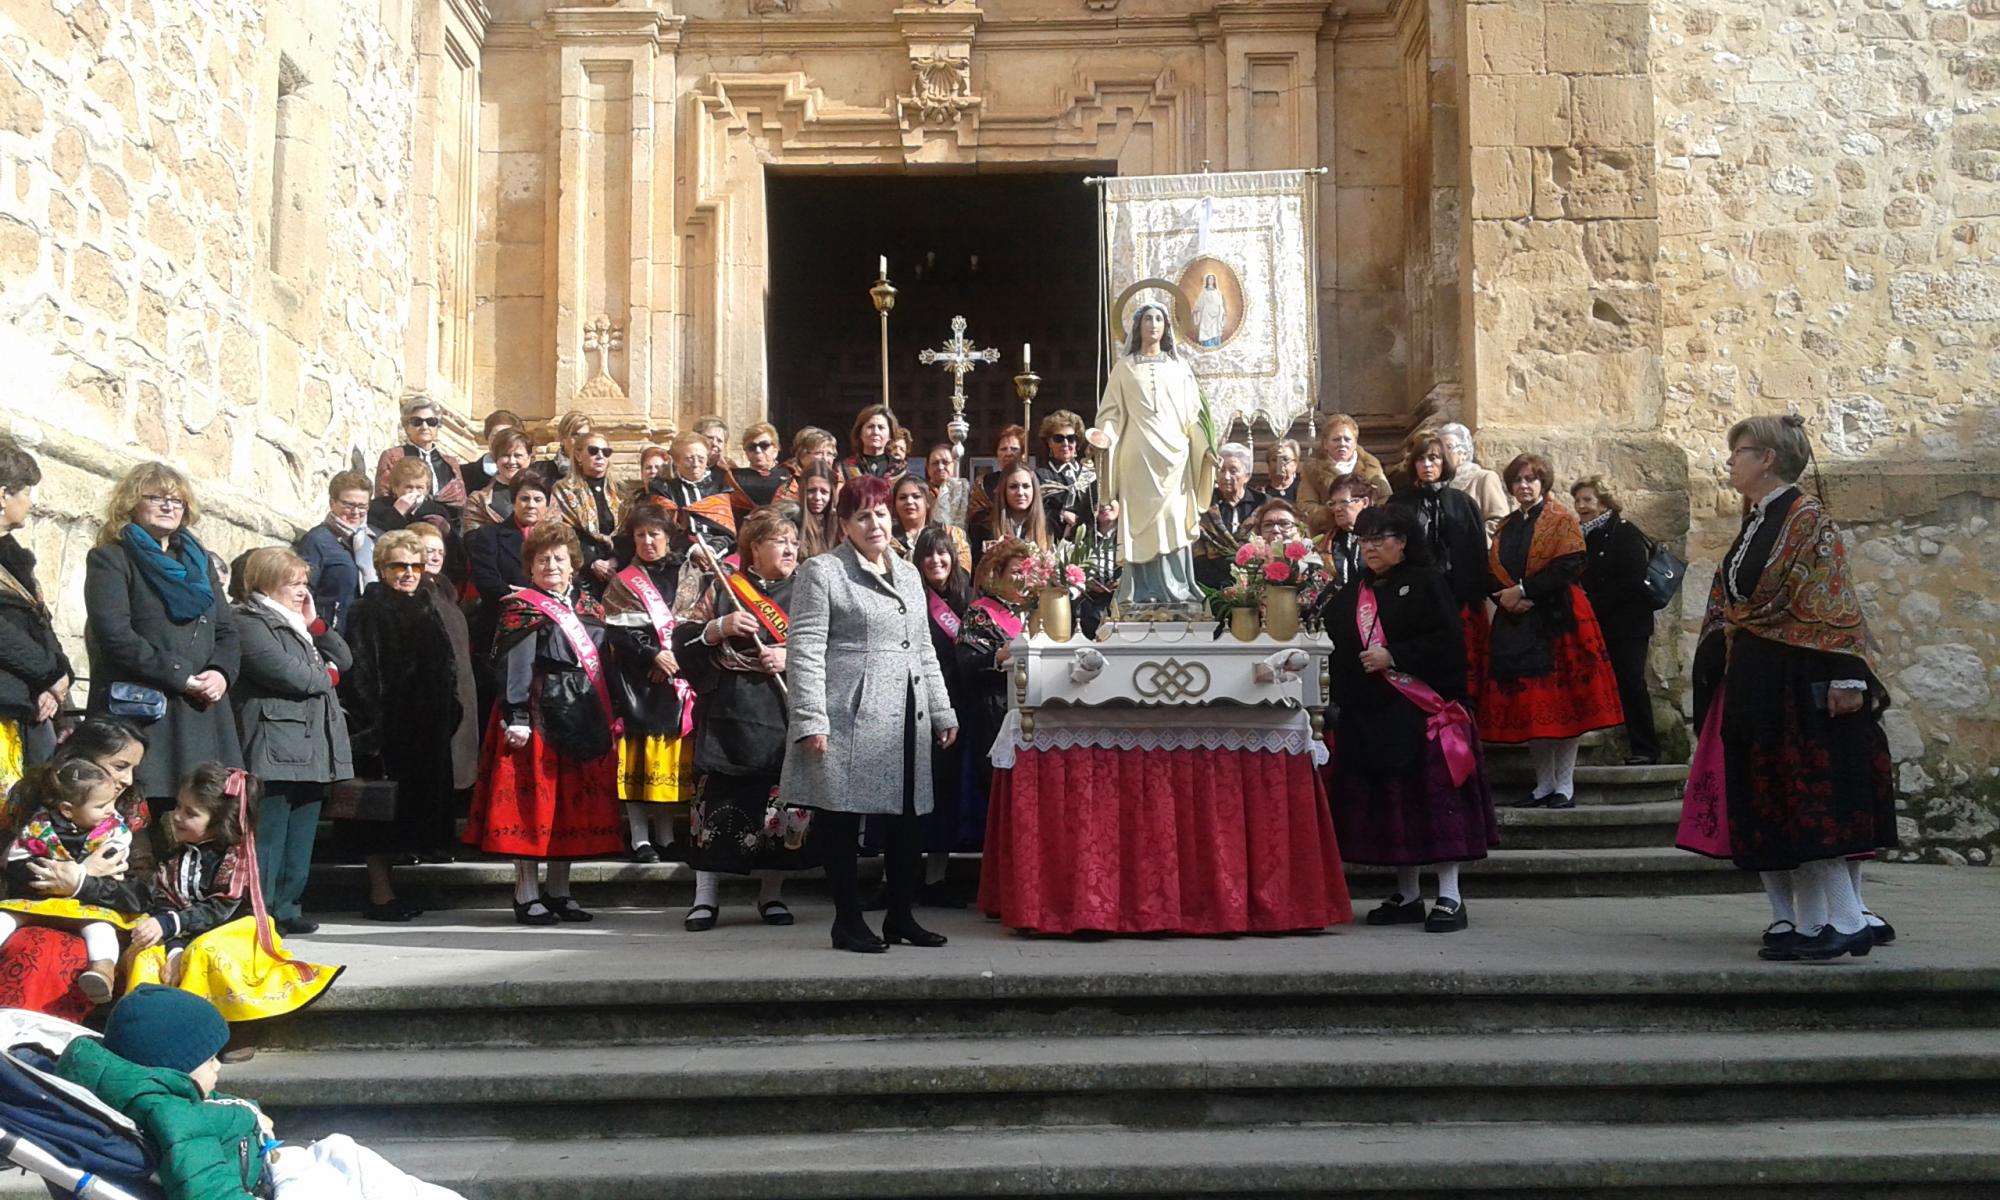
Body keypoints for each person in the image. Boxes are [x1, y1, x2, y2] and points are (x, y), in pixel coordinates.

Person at [1689, 415, 1895, 962]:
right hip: (1759, 679)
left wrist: (1847, 676)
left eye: (1739, 451)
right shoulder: (1758, 519)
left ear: (1768, 459)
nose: (1730, 461)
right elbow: (1736, 602)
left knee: (1810, 799)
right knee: (1778, 799)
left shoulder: (1807, 517)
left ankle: (1846, 922)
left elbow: (1833, 596)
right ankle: (1809, 923)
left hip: (1800, 680)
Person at [58, 984, 465, 1200]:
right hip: (267, 1184)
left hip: (266, 1164)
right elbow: (205, 1187)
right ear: (173, 1067)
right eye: (209, 1058)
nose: (218, 1066)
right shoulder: (174, 1119)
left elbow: (209, 1110)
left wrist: (250, 1114)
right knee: (354, 1167)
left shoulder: (163, 1095)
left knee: (348, 1157)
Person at [780, 476, 959, 953]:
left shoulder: (908, 573)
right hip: (847, 711)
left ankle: (900, 916)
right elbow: (804, 649)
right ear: (844, 524)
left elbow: (923, 648)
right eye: (862, 516)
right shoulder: (823, 571)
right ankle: (847, 922)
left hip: (906, 711)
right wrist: (810, 718)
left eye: (881, 513)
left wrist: (941, 709)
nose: (875, 523)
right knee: (841, 817)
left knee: (909, 818)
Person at [1325, 506, 1497, 933]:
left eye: (1379, 538)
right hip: (1373, 715)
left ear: (1402, 541)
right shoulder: (1351, 594)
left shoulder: (1428, 583)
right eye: (1364, 540)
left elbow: (1448, 643)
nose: (1370, 548)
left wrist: (1395, 655)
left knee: (1436, 806)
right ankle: (1407, 894)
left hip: (1422, 710)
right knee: (1395, 808)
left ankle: (1450, 896)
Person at [465, 521, 624, 926]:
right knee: (534, 808)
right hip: (536, 715)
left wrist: (614, 713)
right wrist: (516, 716)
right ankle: (526, 894)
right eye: (542, 560)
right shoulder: (522, 607)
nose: (551, 565)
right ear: (530, 568)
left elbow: (604, 665)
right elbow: (515, 666)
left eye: (558, 558)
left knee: (568, 809)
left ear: (573, 564)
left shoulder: (590, 606)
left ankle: (559, 892)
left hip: (582, 713)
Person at [674, 508, 815, 930]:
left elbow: (829, 646)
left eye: (793, 541)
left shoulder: (808, 591)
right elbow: (683, 640)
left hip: (781, 712)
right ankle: (704, 898)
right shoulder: (724, 586)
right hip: (729, 712)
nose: (790, 549)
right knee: (715, 805)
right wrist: (719, 627)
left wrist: (790, 657)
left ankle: (771, 895)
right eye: (780, 541)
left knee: (778, 810)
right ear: (754, 547)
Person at [122, 763, 339, 1024]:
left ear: (219, 822)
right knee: (145, 953)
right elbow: (165, 900)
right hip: (183, 932)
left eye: (190, 813)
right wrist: (174, 949)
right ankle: (144, 1026)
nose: (177, 816)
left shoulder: (236, 859)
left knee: (202, 952)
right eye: (178, 806)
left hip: (232, 932)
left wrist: (172, 927)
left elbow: (220, 909)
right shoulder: (176, 854)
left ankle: (211, 1025)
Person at [85, 463, 242, 807]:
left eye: (177, 500)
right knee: (145, 814)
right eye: (156, 498)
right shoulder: (111, 559)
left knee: (204, 813)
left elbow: (227, 630)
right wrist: (181, 677)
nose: (169, 506)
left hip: (203, 709)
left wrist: (220, 673)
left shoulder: (198, 563)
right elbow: (115, 635)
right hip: (146, 711)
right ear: (131, 502)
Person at [1480, 454, 1624, 810]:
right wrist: (1506, 597)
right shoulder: (1507, 526)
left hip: (1558, 620)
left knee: (1565, 705)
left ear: (1543, 483)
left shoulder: (1561, 519)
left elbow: (1570, 564)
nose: (1523, 485)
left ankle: (1565, 785)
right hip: (1518, 622)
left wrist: (1524, 591)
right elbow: (1493, 570)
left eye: (1530, 479)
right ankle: (1544, 783)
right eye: (1518, 480)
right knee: (1533, 707)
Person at [230, 548, 352, 937]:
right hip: (275, 742)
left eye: (304, 583)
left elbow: (344, 658)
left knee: (301, 832)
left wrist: (315, 624)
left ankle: (288, 906)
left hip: (313, 742)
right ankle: (261, 910)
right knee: (270, 833)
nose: (302, 591)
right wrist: (329, 675)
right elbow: (292, 675)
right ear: (266, 583)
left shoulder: (298, 622)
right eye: (293, 584)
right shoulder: (247, 621)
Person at [339, 531, 460, 920]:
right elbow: (361, 674)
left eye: (416, 566)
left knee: (413, 817)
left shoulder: (427, 607)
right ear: (381, 568)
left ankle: (398, 891)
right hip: (387, 734)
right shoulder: (367, 610)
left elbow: (446, 667)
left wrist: (450, 711)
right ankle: (381, 894)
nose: (409, 573)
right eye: (399, 566)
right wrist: (371, 730)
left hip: (427, 732)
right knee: (381, 822)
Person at [0, 719, 153, 1021]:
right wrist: (69, 873)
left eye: (133, 769)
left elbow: (142, 891)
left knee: (63, 954)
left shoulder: (127, 809)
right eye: (120, 766)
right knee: (30, 947)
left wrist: (81, 883)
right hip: (28, 912)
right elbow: (8, 866)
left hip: (98, 917)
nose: (127, 779)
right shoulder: (29, 796)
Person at [1094, 302, 1214, 608]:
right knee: (1139, 523)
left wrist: (1205, 449)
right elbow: (1111, 413)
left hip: (1175, 457)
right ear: (1138, 326)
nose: (1153, 324)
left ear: (1167, 326)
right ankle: (1139, 591)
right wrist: (1104, 436)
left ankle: (1178, 588)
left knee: (1173, 519)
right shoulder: (1124, 368)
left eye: (1159, 318)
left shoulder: (1179, 368)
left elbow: (1193, 417)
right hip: (1137, 456)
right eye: (1147, 318)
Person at [601, 508, 696, 863]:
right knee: (639, 761)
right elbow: (618, 631)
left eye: (654, 534)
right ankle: (641, 838)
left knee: (666, 763)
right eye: (640, 535)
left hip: (674, 681)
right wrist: (652, 655)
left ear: (668, 538)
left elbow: (694, 624)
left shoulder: (687, 575)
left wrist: (673, 659)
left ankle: (667, 836)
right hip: (637, 683)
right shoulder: (623, 581)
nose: (648, 541)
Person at [1388, 427, 1492, 705]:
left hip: (1456, 595)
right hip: (1413, 595)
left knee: (1457, 659)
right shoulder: (1399, 503)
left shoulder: (1462, 503)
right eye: (1421, 459)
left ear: (1444, 462)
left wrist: (1474, 595)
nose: (1427, 465)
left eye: (1433, 458)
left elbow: (1475, 551)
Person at [954, 538, 1033, 877]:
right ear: (997, 574)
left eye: (1027, 571)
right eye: (1015, 571)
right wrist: (998, 656)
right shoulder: (980, 612)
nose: (1022, 578)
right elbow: (966, 663)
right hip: (993, 711)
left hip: (1034, 710)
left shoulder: (1038, 609)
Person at [1571, 475, 1661, 765]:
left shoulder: (1623, 531)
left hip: (1628, 624)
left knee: (1631, 683)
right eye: (1578, 500)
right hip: (1599, 623)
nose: (1581, 506)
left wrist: (1592, 602)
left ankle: (1645, 749)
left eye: (1587, 499)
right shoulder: (1584, 535)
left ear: (1604, 502)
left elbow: (1632, 580)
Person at [908, 525, 978, 894]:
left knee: (945, 793)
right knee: (907, 796)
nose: (936, 560)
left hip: (956, 707)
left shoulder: (967, 599)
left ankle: (936, 878)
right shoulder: (909, 597)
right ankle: (896, 879)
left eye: (942, 553)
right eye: (928, 554)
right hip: (914, 705)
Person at [0, 439, 70, 779]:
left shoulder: (15, 558)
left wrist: (60, 676)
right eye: (26, 491)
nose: (31, 501)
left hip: (31, 706)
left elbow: (39, 622)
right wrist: (50, 673)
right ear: (3, 495)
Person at [411, 522, 479, 857]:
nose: (436, 557)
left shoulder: (446, 592)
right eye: (428, 551)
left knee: (453, 772)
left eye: (439, 551)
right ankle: (425, 841)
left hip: (460, 691)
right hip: (433, 695)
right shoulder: (416, 595)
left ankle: (441, 839)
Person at [467, 471, 549, 659]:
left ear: (547, 504)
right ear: (514, 502)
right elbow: (486, 581)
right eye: (524, 499)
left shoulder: (557, 540)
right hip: (503, 627)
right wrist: (528, 597)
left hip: (549, 628)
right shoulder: (488, 536)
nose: (531, 505)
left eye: (538, 499)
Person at [297, 470, 376, 637]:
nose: (356, 512)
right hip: (330, 635)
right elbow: (303, 591)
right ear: (332, 503)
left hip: (365, 635)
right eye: (348, 505)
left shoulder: (373, 540)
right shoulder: (317, 540)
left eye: (362, 506)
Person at [552, 430, 625, 591]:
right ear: (578, 456)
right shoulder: (564, 490)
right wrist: (592, 562)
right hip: (581, 571)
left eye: (606, 452)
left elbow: (628, 532)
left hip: (617, 568)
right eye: (593, 451)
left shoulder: (621, 492)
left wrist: (616, 560)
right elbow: (562, 533)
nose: (600, 456)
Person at [372, 397, 466, 522]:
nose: (424, 426)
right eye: (417, 422)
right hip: (401, 523)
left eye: (431, 421)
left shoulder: (450, 463)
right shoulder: (393, 456)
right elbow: (383, 498)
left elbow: (459, 503)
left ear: (438, 426)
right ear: (406, 427)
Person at [1298, 414, 1390, 534]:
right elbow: (1305, 506)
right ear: (1325, 444)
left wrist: (1365, 515)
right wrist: (1335, 512)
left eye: (1347, 439)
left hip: (1369, 532)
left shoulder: (1371, 466)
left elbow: (1387, 498)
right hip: (1329, 534)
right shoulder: (1312, 470)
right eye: (1336, 440)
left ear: (1355, 443)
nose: (1342, 444)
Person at [650, 431, 736, 554]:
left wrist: (711, 550)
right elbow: (664, 528)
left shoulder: (720, 487)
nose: (696, 464)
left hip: (719, 552)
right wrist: (693, 549)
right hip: (678, 551)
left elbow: (727, 532)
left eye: (701, 459)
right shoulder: (663, 489)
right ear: (677, 461)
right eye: (689, 459)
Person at [1195, 442, 1264, 590]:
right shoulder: (1203, 504)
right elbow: (1198, 553)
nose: (1226, 477)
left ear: (1247, 476)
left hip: (1256, 583)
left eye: (1233, 471)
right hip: (1210, 584)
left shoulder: (1263, 505)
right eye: (1221, 470)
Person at [972, 464, 1051, 573]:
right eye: (1013, 486)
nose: (1020, 492)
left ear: (1034, 490)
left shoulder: (1049, 527)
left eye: (1026, 486)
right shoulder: (984, 525)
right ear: (1003, 490)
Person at [1439, 422, 1511, 538]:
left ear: (1464, 452)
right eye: (1439, 449)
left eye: (1449, 447)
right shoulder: (1439, 485)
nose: (1443, 454)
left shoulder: (1484, 478)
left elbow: (1500, 520)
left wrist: (1476, 541)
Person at [1035, 410, 1098, 539]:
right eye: (1058, 439)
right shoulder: (1040, 476)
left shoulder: (1090, 474)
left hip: (1087, 540)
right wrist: (1061, 514)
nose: (1065, 444)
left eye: (1071, 439)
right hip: (1051, 539)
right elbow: (1034, 512)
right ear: (1049, 443)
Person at [891, 474, 972, 571]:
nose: (909, 501)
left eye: (916, 496)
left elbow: (963, 574)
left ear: (927, 502)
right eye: (902, 497)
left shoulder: (950, 534)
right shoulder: (886, 538)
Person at [463, 426, 536, 534]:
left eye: (518, 456)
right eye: (505, 455)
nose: (511, 461)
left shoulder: (545, 495)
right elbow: (472, 538)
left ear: (529, 458)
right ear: (496, 458)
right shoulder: (479, 501)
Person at [366, 457, 453, 537]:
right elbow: (379, 539)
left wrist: (448, 531)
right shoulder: (377, 507)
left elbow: (455, 547)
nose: (414, 492)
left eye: (419, 488)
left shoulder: (436, 511)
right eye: (409, 487)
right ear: (395, 488)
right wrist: (396, 513)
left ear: (427, 489)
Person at [1316, 474, 1373, 593]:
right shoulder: (1329, 541)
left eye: (1344, 502)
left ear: (1364, 502)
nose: (1337, 509)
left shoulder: (1378, 537)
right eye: (1333, 503)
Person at [459, 408, 525, 496]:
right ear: (487, 437)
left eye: (506, 436)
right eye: (496, 436)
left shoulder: (531, 476)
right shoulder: (463, 474)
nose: (500, 441)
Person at [968, 424, 1027, 521]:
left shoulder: (1032, 482)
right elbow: (975, 518)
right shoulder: (984, 483)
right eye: (1003, 449)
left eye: (1014, 449)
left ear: (1022, 454)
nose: (1008, 453)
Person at [732, 421, 794, 508]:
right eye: (751, 446)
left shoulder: (790, 475)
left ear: (776, 449)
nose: (758, 450)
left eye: (764, 445)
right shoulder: (734, 477)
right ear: (746, 451)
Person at [842, 404, 905, 481]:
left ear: (890, 434)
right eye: (870, 427)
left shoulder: (900, 468)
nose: (875, 432)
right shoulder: (845, 467)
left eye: (881, 427)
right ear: (859, 432)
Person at [795, 460, 842, 561]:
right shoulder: (792, 519)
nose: (817, 497)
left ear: (831, 494)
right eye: (811, 491)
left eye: (824, 492)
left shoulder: (841, 522)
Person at [925, 443, 970, 531]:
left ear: (955, 464)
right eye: (935, 463)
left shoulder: (965, 492)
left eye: (945, 462)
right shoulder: (921, 493)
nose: (940, 467)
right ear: (927, 467)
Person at [543, 410, 594, 482]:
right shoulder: (542, 473)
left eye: (585, 436)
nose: (580, 441)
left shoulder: (596, 472)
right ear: (562, 438)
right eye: (575, 435)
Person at [1193, 272, 1227, 346]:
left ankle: (1215, 347)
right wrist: (1196, 309)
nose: (1211, 280)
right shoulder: (1204, 292)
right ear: (1207, 280)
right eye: (1209, 279)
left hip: (1216, 315)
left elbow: (1220, 304)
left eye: (1212, 279)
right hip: (1206, 315)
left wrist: (1222, 312)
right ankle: (1207, 347)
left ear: (1214, 281)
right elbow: (1200, 303)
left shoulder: (1217, 292)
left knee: (1214, 331)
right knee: (1206, 332)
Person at [1266, 438, 1301, 503]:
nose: (1280, 464)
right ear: (1268, 464)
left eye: (1285, 459)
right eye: (1275, 460)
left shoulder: (1303, 492)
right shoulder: (1261, 494)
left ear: (1295, 464)